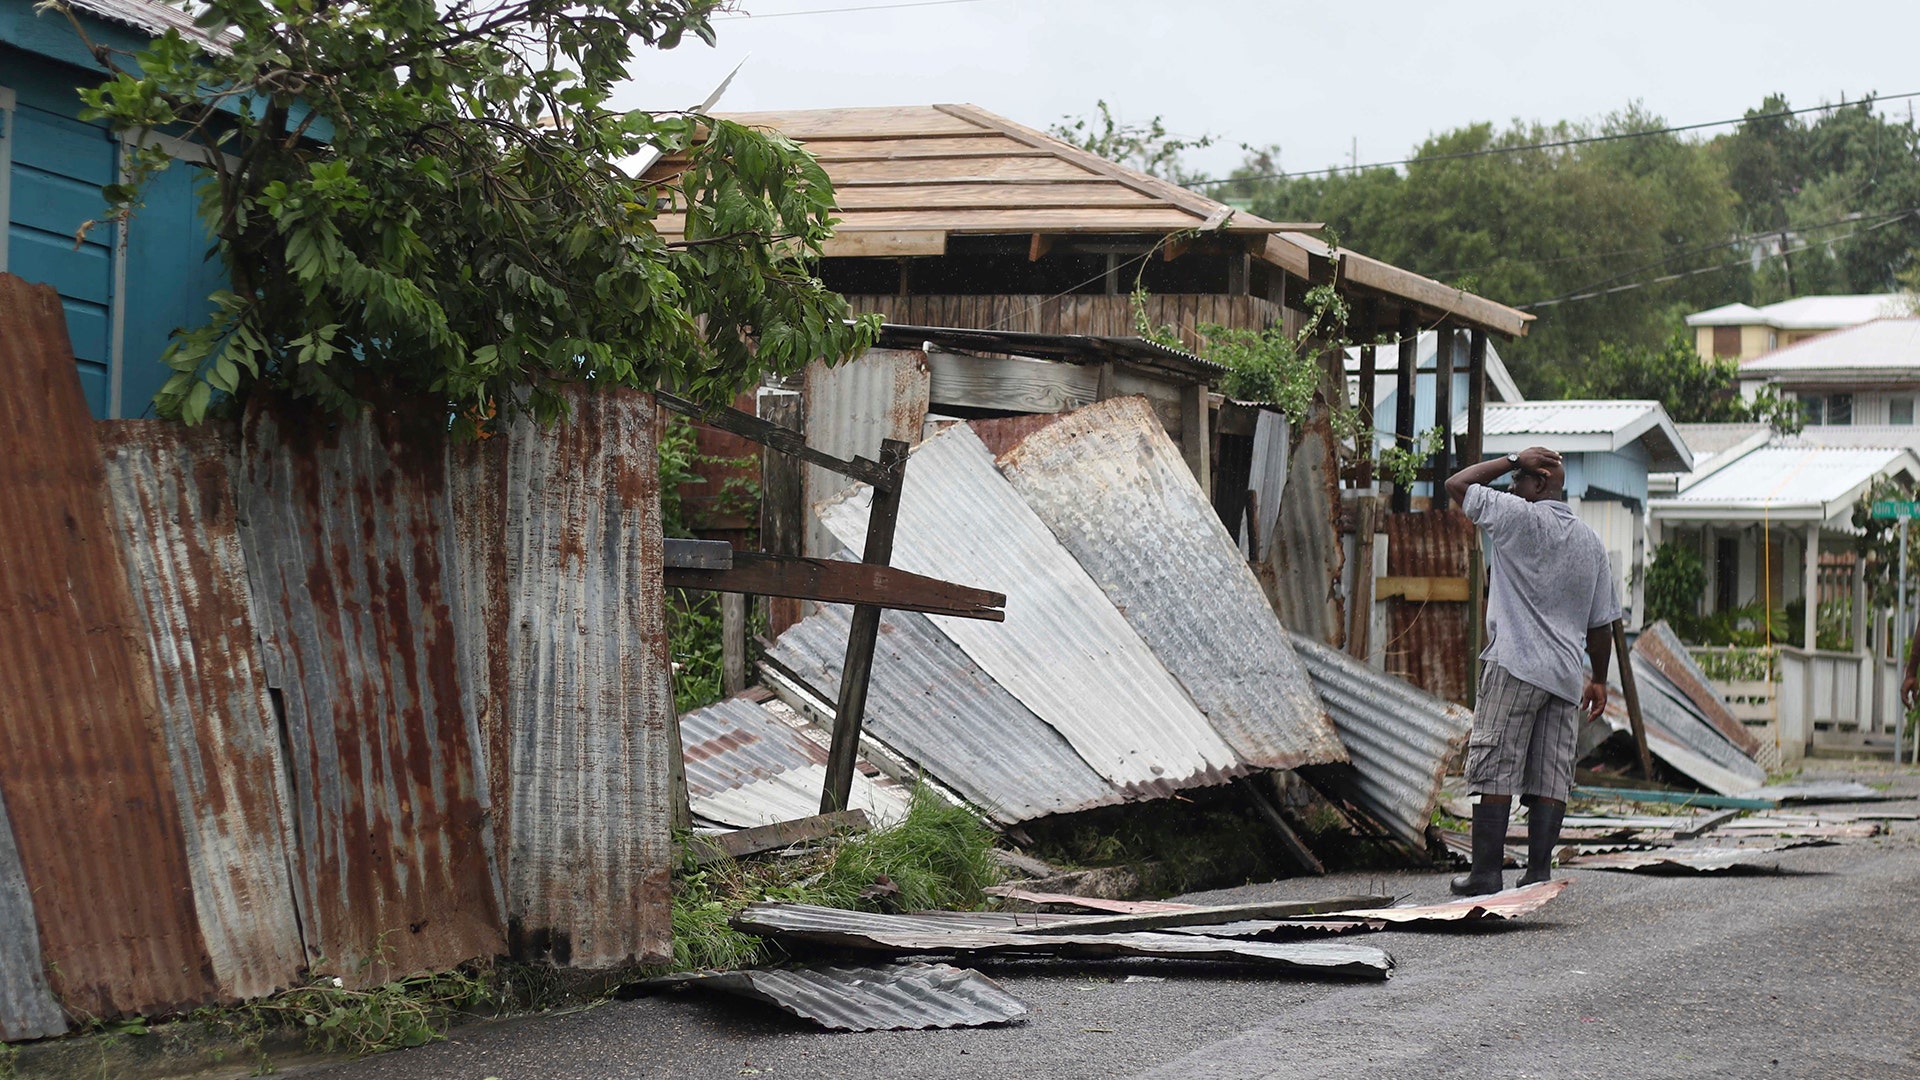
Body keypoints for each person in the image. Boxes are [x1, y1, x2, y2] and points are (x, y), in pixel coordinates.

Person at [1444, 446, 1620, 896]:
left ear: (1540, 483)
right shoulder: (1591, 543)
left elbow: (1458, 485)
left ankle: (1485, 873)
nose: (1511, 487)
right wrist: (1598, 678)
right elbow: (1602, 624)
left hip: (1515, 664)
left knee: (1497, 765)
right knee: (1550, 775)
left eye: (1520, 479)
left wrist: (1508, 457)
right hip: (1564, 676)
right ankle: (1537, 872)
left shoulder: (1516, 517)